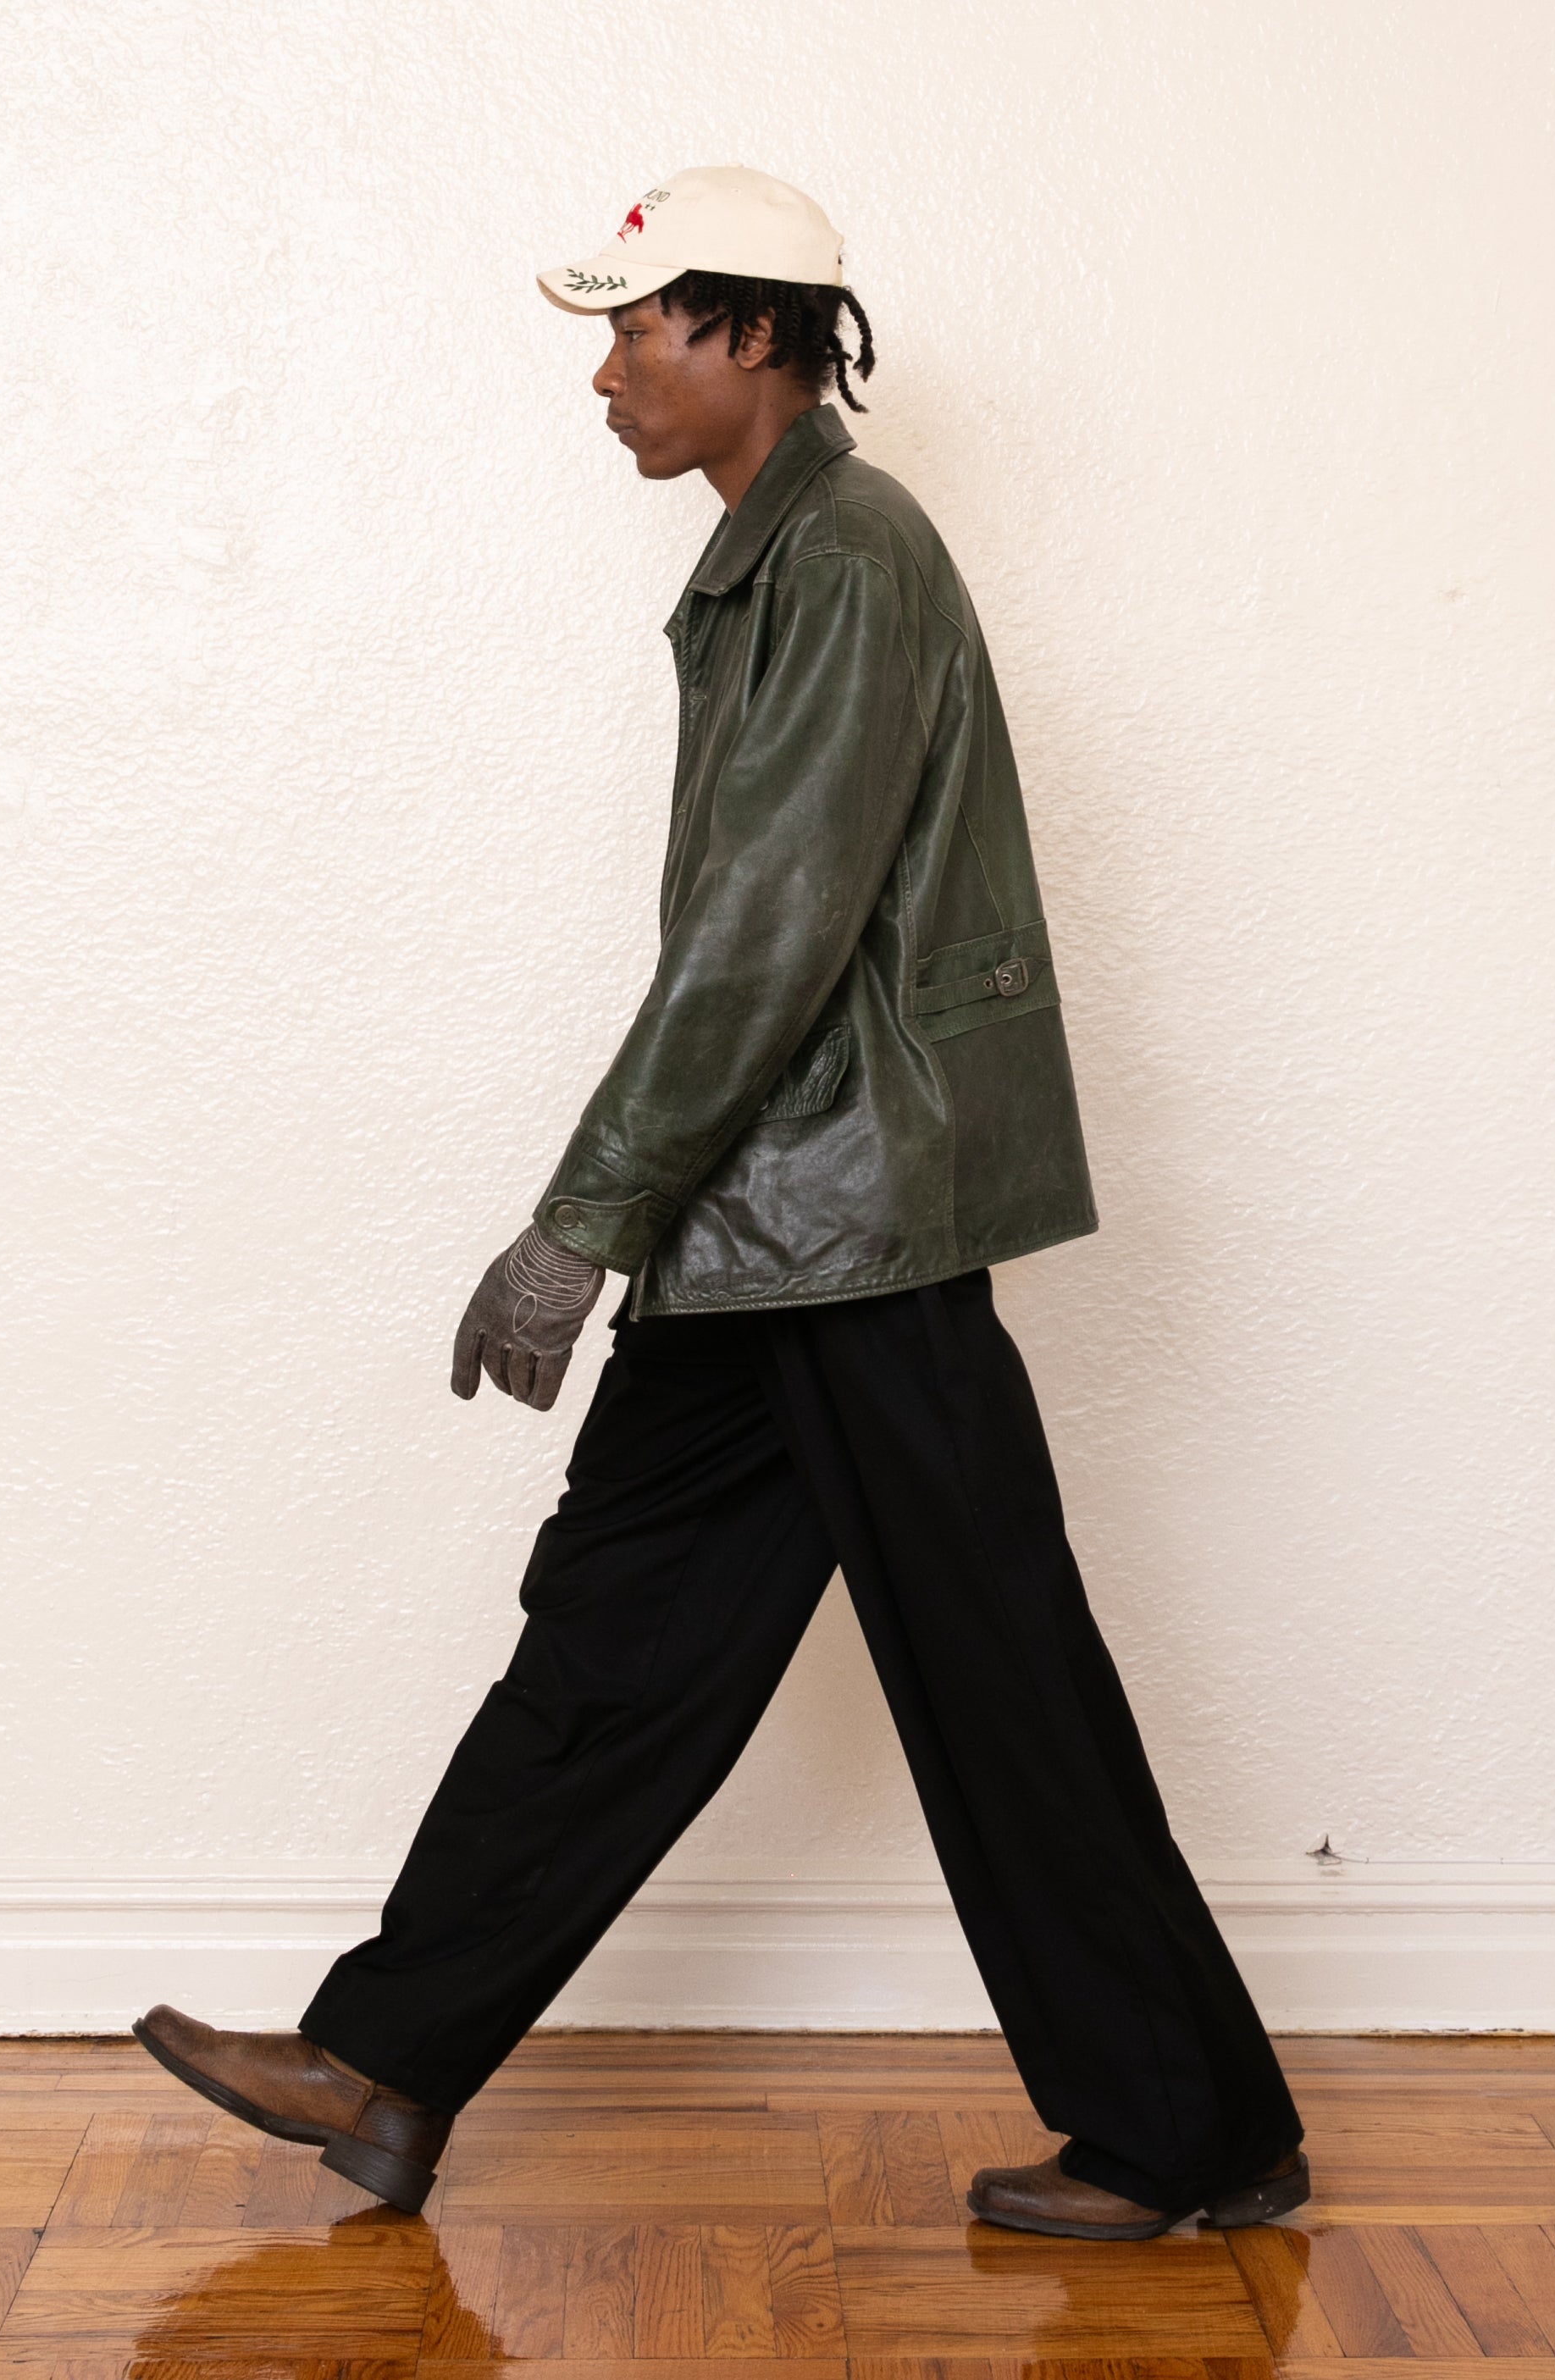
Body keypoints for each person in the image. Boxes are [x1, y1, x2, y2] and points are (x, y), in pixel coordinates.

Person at [134, 165, 1307, 2241]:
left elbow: (766, 934)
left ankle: (1190, 2132)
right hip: (780, 1222)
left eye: (635, 330)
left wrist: (579, 1217)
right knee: (615, 1636)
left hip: (849, 1226)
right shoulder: (782, 558)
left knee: (994, 1670)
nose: (605, 377)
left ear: (753, 333)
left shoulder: (843, 558)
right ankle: (391, 2068)